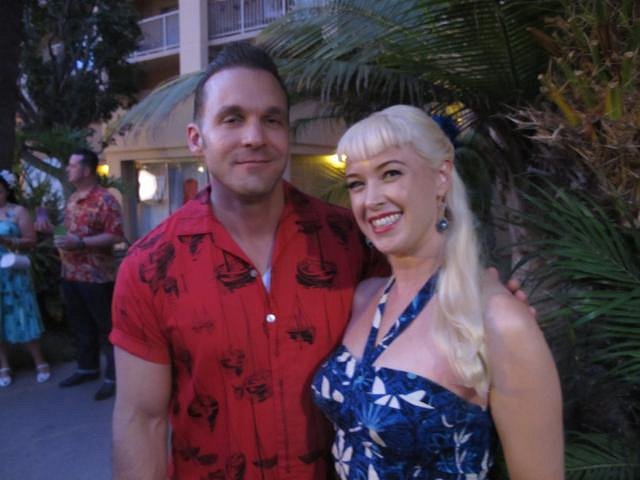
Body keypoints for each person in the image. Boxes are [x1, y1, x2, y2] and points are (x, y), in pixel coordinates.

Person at [110, 43, 536, 480]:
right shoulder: (151, 267)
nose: (254, 136)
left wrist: (489, 304)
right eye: (232, 119)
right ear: (196, 138)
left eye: (272, 119)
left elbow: (423, 296)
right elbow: (141, 420)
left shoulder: (349, 241)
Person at [311, 105, 564, 479]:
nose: (371, 199)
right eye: (357, 184)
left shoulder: (499, 319)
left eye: (391, 173)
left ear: (442, 177)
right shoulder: (364, 296)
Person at [53, 148, 124, 401]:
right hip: (71, 273)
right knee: (81, 324)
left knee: (106, 327)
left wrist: (81, 243)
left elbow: (115, 236)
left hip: (97, 276)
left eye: (72, 166)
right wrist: (55, 233)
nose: (68, 169)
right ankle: (87, 368)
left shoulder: (105, 200)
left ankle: (114, 377)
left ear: (85, 170)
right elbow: (68, 231)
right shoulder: (73, 198)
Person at [0, 170, 50, 387]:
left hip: (14, 270)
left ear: (7, 191)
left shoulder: (18, 211)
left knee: (23, 313)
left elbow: (31, 241)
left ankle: (40, 361)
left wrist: (8, 241)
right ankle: (3, 366)